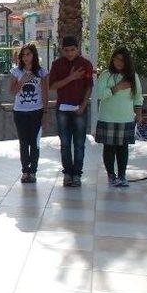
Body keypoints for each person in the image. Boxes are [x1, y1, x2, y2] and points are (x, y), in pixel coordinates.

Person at [49, 36, 94, 187]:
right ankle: (67, 173)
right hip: (63, 109)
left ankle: (77, 174)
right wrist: (71, 77)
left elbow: (89, 87)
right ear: (62, 50)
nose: (69, 53)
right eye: (66, 50)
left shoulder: (85, 64)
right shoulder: (57, 64)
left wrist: (83, 105)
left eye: (73, 50)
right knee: (65, 143)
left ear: (78, 48)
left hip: (79, 108)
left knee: (80, 143)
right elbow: (53, 86)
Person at [95, 47, 143, 187]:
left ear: (126, 61)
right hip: (107, 118)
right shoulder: (105, 74)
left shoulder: (133, 76)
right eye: (116, 58)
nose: (118, 62)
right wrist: (117, 88)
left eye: (121, 59)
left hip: (126, 118)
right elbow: (100, 95)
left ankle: (122, 176)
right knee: (109, 148)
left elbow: (138, 97)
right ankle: (111, 176)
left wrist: (138, 113)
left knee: (123, 148)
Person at [9, 44, 49, 183]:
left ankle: (33, 171)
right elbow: (12, 91)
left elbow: (45, 92)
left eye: (29, 54)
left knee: (34, 142)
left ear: (34, 55)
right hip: (20, 112)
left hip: (36, 111)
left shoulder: (41, 72)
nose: (26, 57)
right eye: (23, 55)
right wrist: (22, 81)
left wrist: (45, 112)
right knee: (24, 142)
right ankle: (25, 171)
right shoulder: (16, 72)